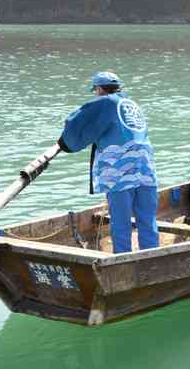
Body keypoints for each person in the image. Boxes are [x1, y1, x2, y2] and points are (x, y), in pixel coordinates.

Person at [58, 72, 158, 253]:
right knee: (148, 221)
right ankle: (153, 260)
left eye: (95, 90)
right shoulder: (131, 104)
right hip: (146, 171)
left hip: (119, 173)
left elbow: (78, 121)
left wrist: (64, 143)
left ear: (99, 89)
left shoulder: (106, 102)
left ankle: (122, 263)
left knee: (121, 224)